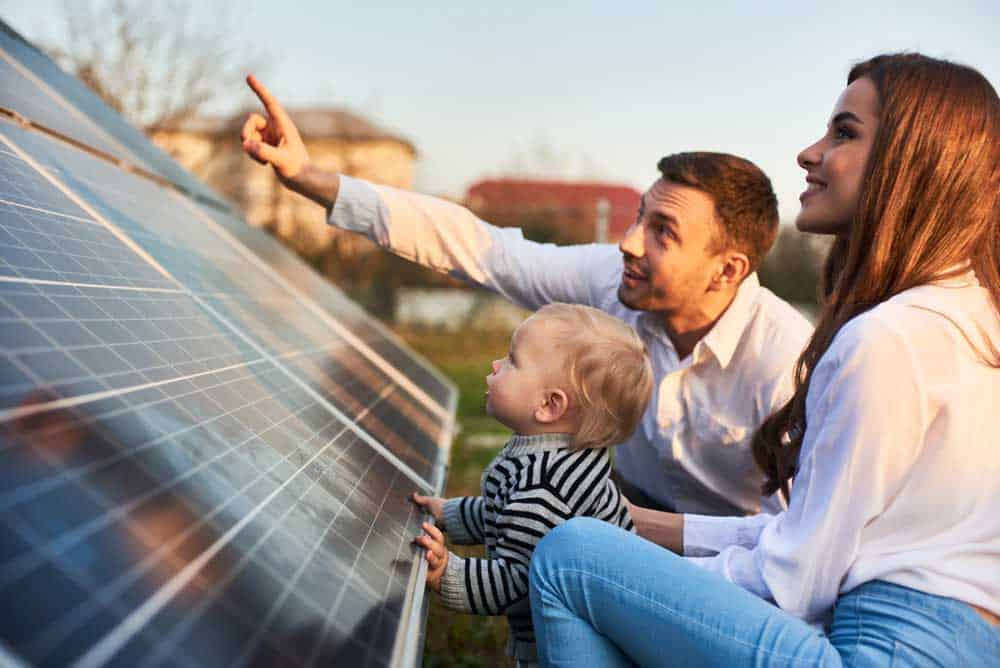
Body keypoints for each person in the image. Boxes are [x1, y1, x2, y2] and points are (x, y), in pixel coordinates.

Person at [526, 52, 1000, 666]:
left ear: (914, 163)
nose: (809, 152)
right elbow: (814, 530)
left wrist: (635, 582)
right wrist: (634, 526)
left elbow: (796, 580)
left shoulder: (888, 339)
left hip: (879, 651)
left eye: (845, 133)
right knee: (599, 544)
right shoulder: (974, 317)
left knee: (571, 558)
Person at [240, 77, 814, 517]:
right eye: (640, 216)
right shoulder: (613, 281)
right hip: (627, 508)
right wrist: (310, 178)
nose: (629, 241)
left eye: (663, 231)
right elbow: (481, 248)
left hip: (733, 559)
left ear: (726, 270)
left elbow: (793, 544)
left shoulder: (786, 361)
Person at [409, 303, 653, 666]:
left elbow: (519, 581)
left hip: (571, 645)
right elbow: (505, 512)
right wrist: (450, 513)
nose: (495, 365)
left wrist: (449, 573)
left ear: (549, 405)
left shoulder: (545, 488)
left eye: (511, 361)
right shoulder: (556, 458)